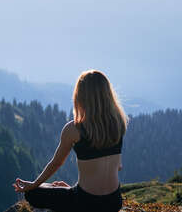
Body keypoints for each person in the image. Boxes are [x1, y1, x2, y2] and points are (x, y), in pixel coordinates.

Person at [12, 69, 128, 212]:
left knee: (33, 193)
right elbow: (119, 166)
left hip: (85, 202)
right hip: (113, 202)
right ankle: (69, 190)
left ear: (80, 96)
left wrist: (34, 184)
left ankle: (66, 190)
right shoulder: (118, 124)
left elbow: (56, 163)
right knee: (64, 190)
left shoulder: (74, 129)